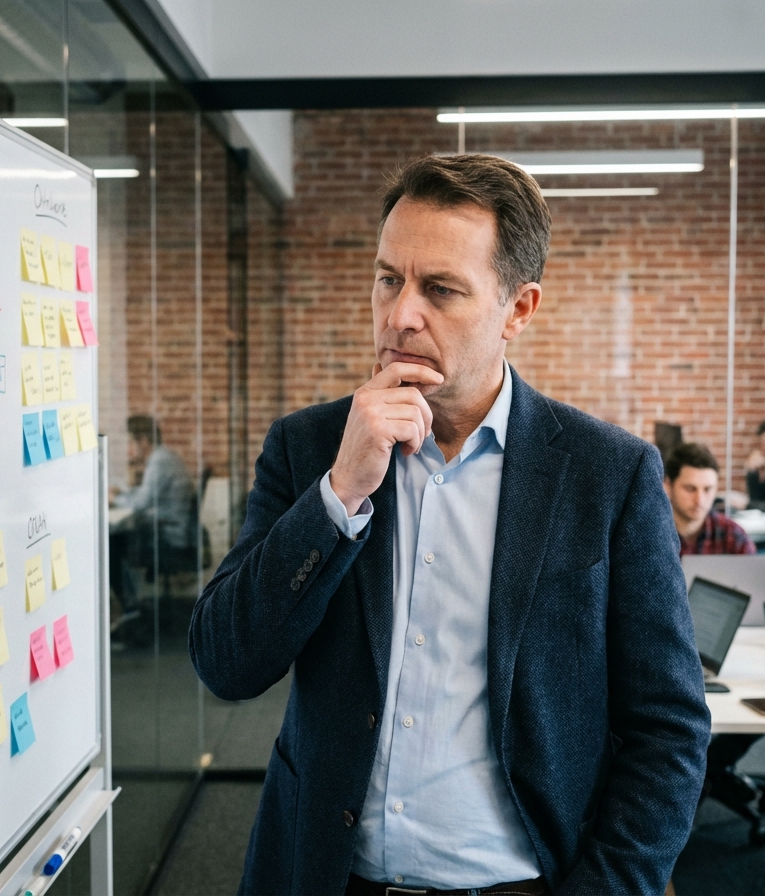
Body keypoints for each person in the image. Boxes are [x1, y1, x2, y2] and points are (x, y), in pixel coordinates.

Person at [190, 154, 710, 895]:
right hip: (327, 877)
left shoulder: (608, 475)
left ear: (518, 309)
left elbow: (669, 731)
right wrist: (339, 496)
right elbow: (226, 663)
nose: (401, 313)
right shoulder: (309, 449)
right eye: (387, 278)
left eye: (440, 289)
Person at [110, 415, 195, 616]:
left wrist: (113, 500)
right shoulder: (163, 457)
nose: (128, 448)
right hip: (168, 530)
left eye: (131, 442)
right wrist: (121, 494)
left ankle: (131, 607)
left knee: (111, 544)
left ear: (144, 441)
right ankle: (131, 604)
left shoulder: (159, 461)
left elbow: (141, 503)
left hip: (167, 537)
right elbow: (143, 495)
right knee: (116, 541)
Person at [664, 442, 756, 556]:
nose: (699, 500)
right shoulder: (649, 535)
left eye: (707, 489)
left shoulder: (732, 535)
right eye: (690, 489)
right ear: (668, 486)